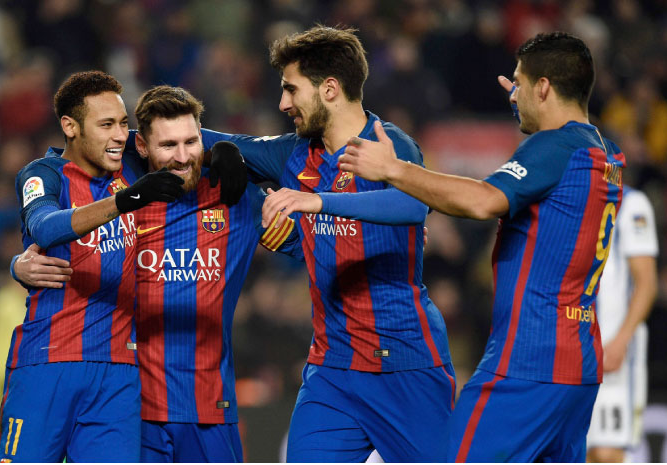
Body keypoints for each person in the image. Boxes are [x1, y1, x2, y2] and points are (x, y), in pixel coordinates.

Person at [339, 31, 625, 462]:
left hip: (527, 360)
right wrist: (529, 113)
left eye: (520, 83)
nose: (513, 93)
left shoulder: (553, 147)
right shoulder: (607, 154)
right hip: (578, 362)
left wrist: (395, 169)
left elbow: (481, 200)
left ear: (543, 87)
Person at [201, 25, 455, 462]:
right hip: (332, 371)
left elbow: (413, 207)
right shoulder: (293, 154)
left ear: (330, 89)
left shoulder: (390, 145)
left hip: (406, 364)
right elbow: (208, 142)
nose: (283, 103)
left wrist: (316, 201)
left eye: (291, 89)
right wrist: (126, 136)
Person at [13, 84, 301, 462]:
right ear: (144, 148)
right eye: (168, 146)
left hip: (211, 408)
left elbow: (313, 248)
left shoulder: (236, 198)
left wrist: (229, 150)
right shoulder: (121, 194)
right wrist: (18, 264)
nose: (182, 157)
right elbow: (55, 226)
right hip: (131, 411)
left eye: (192, 143)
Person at [0, 71, 185, 462]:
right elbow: (45, 227)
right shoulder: (44, 175)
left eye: (123, 124)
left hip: (118, 373)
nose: (120, 135)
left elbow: (183, 134)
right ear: (70, 127)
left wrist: (231, 151)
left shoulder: (129, 163)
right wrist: (126, 200)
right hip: (47, 362)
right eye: (106, 125)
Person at [586, 187, 658, 463]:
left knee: (607, 452)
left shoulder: (631, 203)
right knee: (579, 450)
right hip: (575, 349)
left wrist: (620, 340)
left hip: (614, 350)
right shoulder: (569, 199)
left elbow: (646, 283)